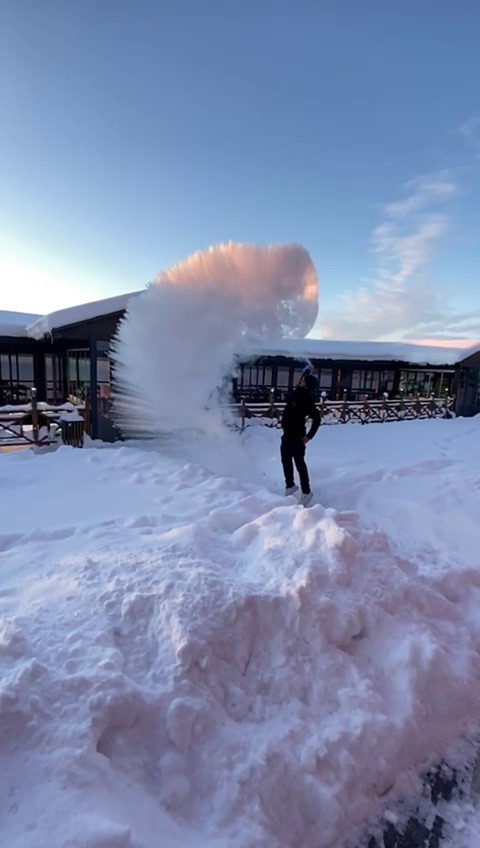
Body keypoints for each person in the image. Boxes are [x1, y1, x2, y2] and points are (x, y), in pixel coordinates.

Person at [280, 368, 320, 506]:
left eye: (302, 381)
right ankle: (290, 486)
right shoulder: (298, 392)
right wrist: (307, 372)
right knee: (285, 461)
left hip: (297, 437)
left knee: (299, 464)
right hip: (286, 435)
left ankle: (307, 492)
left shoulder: (307, 400)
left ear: (306, 385)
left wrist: (309, 436)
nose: (300, 381)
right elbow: (302, 381)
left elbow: (317, 418)